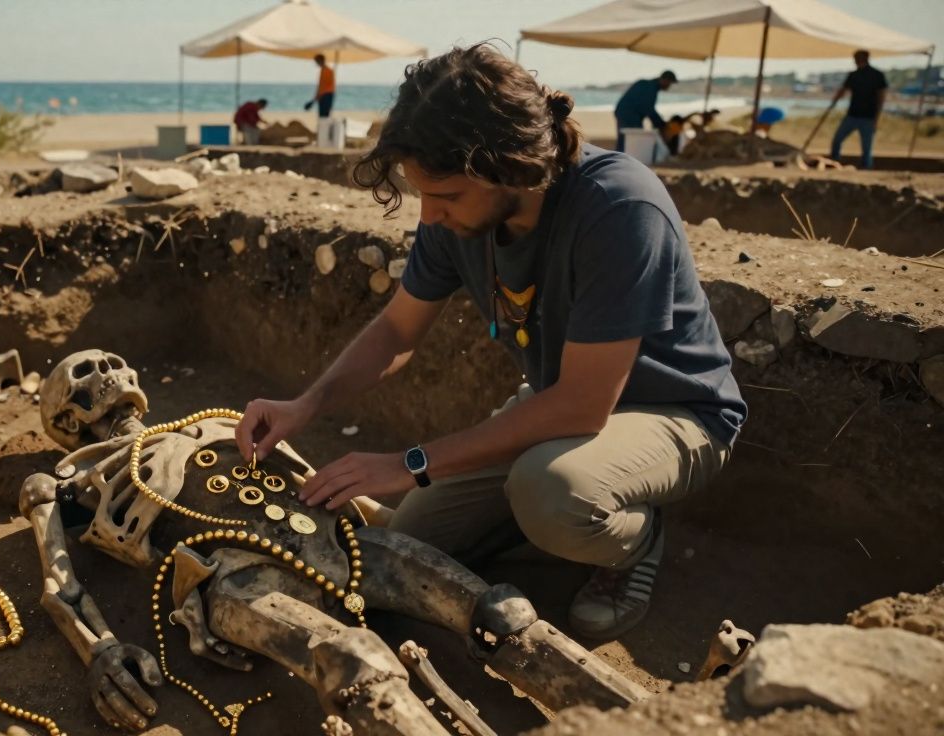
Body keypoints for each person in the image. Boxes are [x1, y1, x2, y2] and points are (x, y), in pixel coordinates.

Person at [235, 43, 745, 640]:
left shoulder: (617, 205)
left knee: (552, 491)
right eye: (423, 194)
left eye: (445, 196)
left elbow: (585, 404)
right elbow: (398, 329)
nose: (429, 217)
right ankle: (546, 519)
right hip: (560, 408)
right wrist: (306, 405)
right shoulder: (458, 217)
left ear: (510, 166)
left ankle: (634, 544)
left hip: (674, 412)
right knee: (410, 544)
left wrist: (410, 463)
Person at [829, 49, 888, 169]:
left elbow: (881, 96)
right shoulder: (854, 75)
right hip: (853, 115)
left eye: (856, 58)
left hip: (868, 117)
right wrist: (835, 100)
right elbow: (844, 90)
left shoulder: (877, 75)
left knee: (866, 147)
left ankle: (866, 167)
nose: (855, 61)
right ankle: (834, 162)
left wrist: (877, 117)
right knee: (837, 139)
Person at [614, 70, 677, 152]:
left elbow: (647, 108)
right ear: (664, 80)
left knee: (626, 138)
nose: (669, 86)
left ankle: (620, 158)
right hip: (629, 114)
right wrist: (661, 124)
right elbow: (649, 109)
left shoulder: (648, 85)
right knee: (633, 140)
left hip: (624, 112)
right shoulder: (650, 88)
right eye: (669, 83)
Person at [304, 53, 336, 119]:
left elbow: (324, 86)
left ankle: (324, 128)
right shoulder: (325, 70)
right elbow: (321, 86)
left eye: (316, 61)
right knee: (324, 115)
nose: (316, 63)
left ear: (320, 61)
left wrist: (316, 98)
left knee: (324, 116)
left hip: (326, 95)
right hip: (325, 95)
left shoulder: (327, 71)